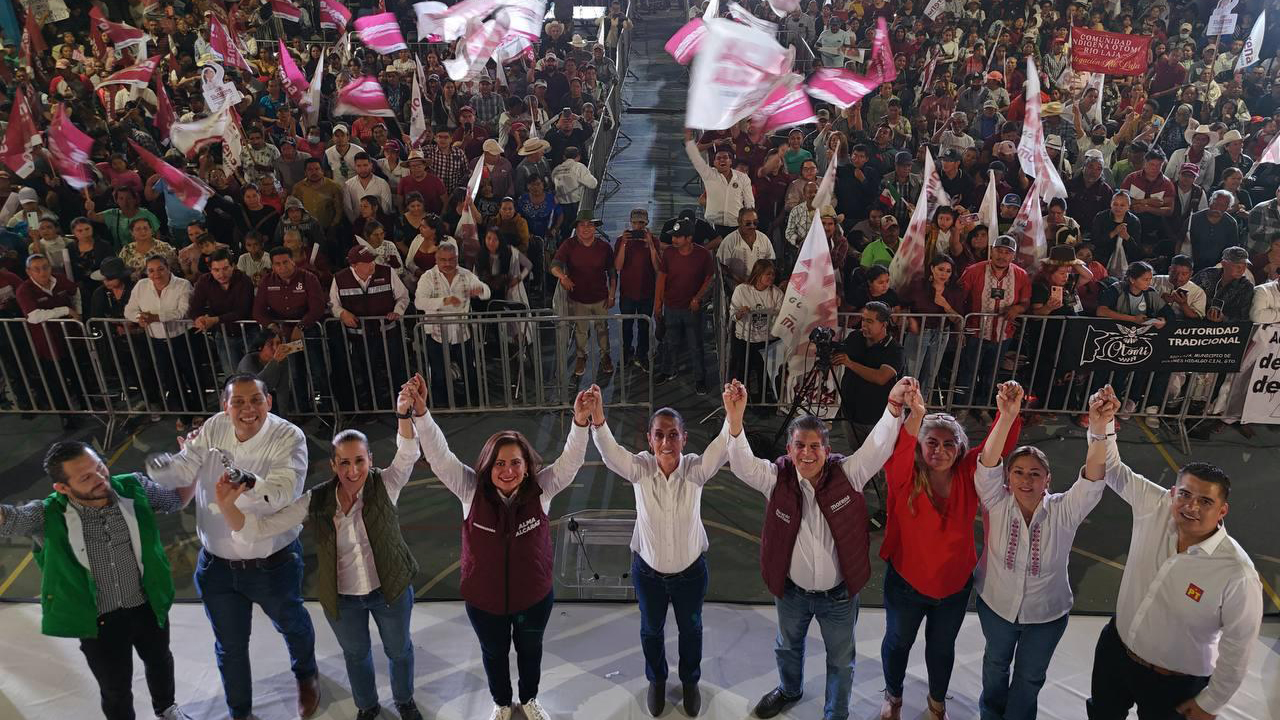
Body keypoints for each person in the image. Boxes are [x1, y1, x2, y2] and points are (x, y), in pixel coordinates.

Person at [214, 385, 425, 720]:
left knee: (399, 651)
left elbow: (409, 452)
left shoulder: (386, 484)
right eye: (344, 462)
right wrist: (227, 506)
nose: (352, 470)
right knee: (356, 655)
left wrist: (403, 414)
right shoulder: (317, 499)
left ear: (371, 459)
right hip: (343, 597)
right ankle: (367, 706)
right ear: (333, 465)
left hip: (391, 590)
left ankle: (404, 700)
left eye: (359, 460)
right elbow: (264, 527)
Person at [721, 376, 913, 720]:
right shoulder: (776, 479)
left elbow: (878, 446)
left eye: (814, 446)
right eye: (799, 446)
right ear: (789, 450)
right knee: (787, 647)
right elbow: (742, 465)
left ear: (827, 449)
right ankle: (789, 690)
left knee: (840, 659)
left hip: (838, 597)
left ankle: (836, 712)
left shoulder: (848, 474)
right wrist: (735, 421)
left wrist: (894, 405)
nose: (807, 453)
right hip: (791, 592)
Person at [409, 374, 593, 720]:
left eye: (515, 463)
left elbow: (569, 463)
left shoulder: (543, 490)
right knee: (493, 654)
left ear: (526, 468)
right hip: (484, 601)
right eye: (499, 463)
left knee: (530, 652)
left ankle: (529, 700)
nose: (507, 470)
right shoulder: (470, 491)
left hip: (533, 598)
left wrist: (580, 422)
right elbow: (439, 455)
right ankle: (502, 703)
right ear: (487, 464)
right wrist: (421, 414)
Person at [1083, 388, 1263, 720]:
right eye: (1185, 494)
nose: (1191, 506)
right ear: (1172, 493)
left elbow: (1238, 648)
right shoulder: (1156, 506)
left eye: (1205, 502)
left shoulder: (1237, 573)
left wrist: (1211, 703)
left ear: (1222, 510)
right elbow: (1112, 469)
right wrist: (1103, 424)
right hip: (1115, 653)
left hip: (1177, 686)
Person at [146, 374, 319, 720]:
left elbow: (283, 493)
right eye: (237, 401)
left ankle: (306, 676)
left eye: (255, 399)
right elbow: (183, 471)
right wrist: (162, 466)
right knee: (230, 646)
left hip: (273, 563)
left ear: (269, 402)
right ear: (225, 406)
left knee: (293, 624)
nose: (247, 409)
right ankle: (240, 711)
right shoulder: (212, 428)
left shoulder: (289, 437)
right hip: (217, 567)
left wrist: (246, 481)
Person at [0, 441, 197, 720]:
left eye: (100, 467)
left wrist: (195, 463)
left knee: (160, 661)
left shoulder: (133, 486)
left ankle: (166, 708)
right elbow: (9, 519)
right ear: (63, 488)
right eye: (86, 477)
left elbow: (176, 500)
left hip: (146, 605)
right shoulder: (46, 514)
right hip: (99, 621)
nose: (100, 478)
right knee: (115, 688)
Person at [878, 382, 1023, 720]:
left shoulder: (971, 474)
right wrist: (916, 414)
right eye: (931, 442)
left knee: (942, 649)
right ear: (919, 445)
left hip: (954, 587)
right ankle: (894, 695)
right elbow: (900, 448)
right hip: (905, 584)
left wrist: (1007, 415)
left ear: (960, 450)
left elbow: (993, 450)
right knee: (898, 643)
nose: (939, 451)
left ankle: (937, 702)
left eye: (948, 444)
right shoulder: (903, 476)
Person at [589, 399, 729, 717]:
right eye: (659, 435)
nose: (666, 442)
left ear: (684, 438)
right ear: (649, 440)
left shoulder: (695, 469)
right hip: (648, 574)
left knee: (691, 630)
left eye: (673, 435)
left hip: (691, 574)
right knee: (651, 630)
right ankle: (657, 680)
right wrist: (597, 420)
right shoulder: (640, 468)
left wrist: (733, 417)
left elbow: (722, 448)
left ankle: (690, 682)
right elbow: (611, 453)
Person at [974, 384, 1106, 720]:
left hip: (1046, 616)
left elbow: (1092, 479)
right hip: (997, 607)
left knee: (1030, 678)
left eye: (1035, 474)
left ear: (1048, 479)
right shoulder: (996, 502)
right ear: (1008, 477)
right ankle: (990, 714)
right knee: (995, 666)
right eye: (1018, 472)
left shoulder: (1064, 510)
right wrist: (1006, 417)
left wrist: (1099, 428)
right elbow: (987, 463)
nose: (1026, 480)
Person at [124, 254, 201, 430]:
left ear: (168, 268)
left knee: (193, 375)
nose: (156, 274)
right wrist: (140, 318)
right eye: (151, 270)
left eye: (160, 269)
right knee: (170, 378)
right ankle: (184, 414)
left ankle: (199, 412)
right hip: (157, 339)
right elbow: (129, 310)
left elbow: (183, 311)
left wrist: (155, 317)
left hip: (183, 338)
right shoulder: (141, 286)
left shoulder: (182, 284)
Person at [329, 245, 410, 412]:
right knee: (367, 371)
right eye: (367, 262)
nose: (372, 264)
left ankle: (403, 405)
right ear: (354, 265)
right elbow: (333, 304)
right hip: (359, 337)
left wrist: (397, 311)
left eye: (372, 260)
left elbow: (403, 296)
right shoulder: (339, 278)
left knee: (396, 368)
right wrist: (342, 313)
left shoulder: (387, 272)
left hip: (388, 331)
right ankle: (374, 407)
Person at [414, 241, 489, 406]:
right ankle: (442, 406)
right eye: (443, 260)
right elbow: (419, 303)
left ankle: (474, 403)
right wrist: (444, 301)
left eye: (451, 259)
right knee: (439, 372)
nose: (447, 263)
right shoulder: (427, 277)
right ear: (436, 259)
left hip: (462, 332)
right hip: (436, 333)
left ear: (457, 258)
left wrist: (481, 290)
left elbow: (485, 290)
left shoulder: (465, 274)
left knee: (469, 370)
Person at [655, 218, 715, 394]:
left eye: (678, 237)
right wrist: (658, 303)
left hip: (692, 309)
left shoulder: (703, 255)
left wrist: (697, 298)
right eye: (674, 236)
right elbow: (662, 278)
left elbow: (709, 278)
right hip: (672, 306)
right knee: (670, 342)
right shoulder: (669, 254)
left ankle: (700, 378)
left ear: (689, 238)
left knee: (695, 344)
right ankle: (667, 370)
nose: (674, 240)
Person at [551, 214, 616, 377]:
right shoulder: (568, 245)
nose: (586, 228)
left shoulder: (604, 247)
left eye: (590, 225)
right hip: (578, 298)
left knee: (603, 328)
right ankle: (581, 356)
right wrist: (563, 277)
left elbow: (612, 272)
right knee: (580, 330)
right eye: (582, 225)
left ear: (595, 228)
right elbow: (554, 265)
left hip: (600, 296)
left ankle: (605, 355)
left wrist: (612, 294)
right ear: (577, 228)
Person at [684, 129, 755, 241]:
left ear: (731, 161)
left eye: (725, 158)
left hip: (735, 224)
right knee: (715, 255)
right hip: (713, 224)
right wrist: (688, 140)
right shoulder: (709, 175)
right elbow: (695, 157)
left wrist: (749, 223)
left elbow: (749, 203)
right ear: (714, 163)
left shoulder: (743, 178)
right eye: (718, 158)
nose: (722, 160)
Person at [728, 259, 783, 398]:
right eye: (768, 274)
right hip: (745, 338)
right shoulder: (742, 290)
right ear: (758, 274)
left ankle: (762, 399)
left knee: (763, 373)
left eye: (773, 275)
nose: (771, 277)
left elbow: (781, 315)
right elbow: (733, 315)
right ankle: (738, 400)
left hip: (766, 340)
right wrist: (740, 312)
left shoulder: (776, 293)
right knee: (741, 372)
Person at [615, 208, 661, 370]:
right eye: (635, 223)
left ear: (646, 223)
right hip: (628, 292)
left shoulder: (653, 240)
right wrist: (624, 244)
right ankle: (626, 352)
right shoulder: (622, 240)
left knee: (644, 326)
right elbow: (618, 266)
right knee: (626, 326)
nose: (638, 227)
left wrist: (651, 247)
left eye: (641, 223)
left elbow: (657, 267)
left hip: (647, 292)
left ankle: (642, 355)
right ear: (630, 223)